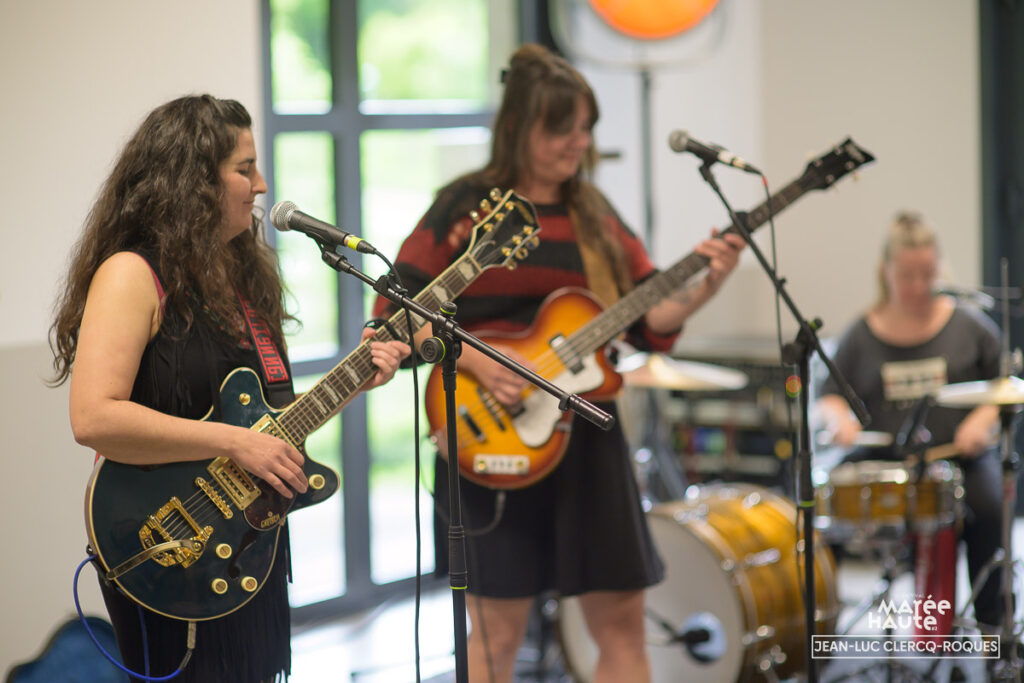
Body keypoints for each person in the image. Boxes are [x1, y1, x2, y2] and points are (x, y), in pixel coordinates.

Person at [372, 44, 744, 683]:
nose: (580, 142)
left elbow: (649, 316)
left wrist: (709, 283)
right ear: (519, 127)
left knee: (622, 628)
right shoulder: (463, 208)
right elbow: (392, 311)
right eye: (562, 128)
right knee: (496, 634)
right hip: (487, 440)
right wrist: (478, 361)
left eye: (586, 128)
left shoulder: (593, 214)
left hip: (587, 438)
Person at [49, 94, 409, 682]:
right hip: (168, 542)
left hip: (245, 544)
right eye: (245, 169)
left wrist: (357, 378)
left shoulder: (239, 277)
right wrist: (235, 444)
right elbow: (94, 418)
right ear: (192, 181)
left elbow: (266, 422)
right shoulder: (131, 274)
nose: (261, 185)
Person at [816, 212, 1005, 635]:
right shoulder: (861, 333)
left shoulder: (970, 327)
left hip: (959, 458)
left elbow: (1004, 388)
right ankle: (821, 626)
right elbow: (829, 395)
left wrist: (982, 420)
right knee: (826, 505)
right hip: (885, 456)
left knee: (989, 507)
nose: (919, 286)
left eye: (928, 274)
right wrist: (839, 417)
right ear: (886, 272)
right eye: (907, 276)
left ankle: (992, 629)